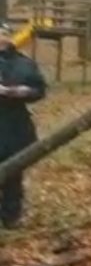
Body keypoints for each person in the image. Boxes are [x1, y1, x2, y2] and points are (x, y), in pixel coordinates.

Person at [0, 22, 47, 229]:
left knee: (13, 173)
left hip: (14, 125)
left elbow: (39, 89)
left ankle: (11, 217)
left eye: (3, 34)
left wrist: (23, 91)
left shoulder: (24, 64)